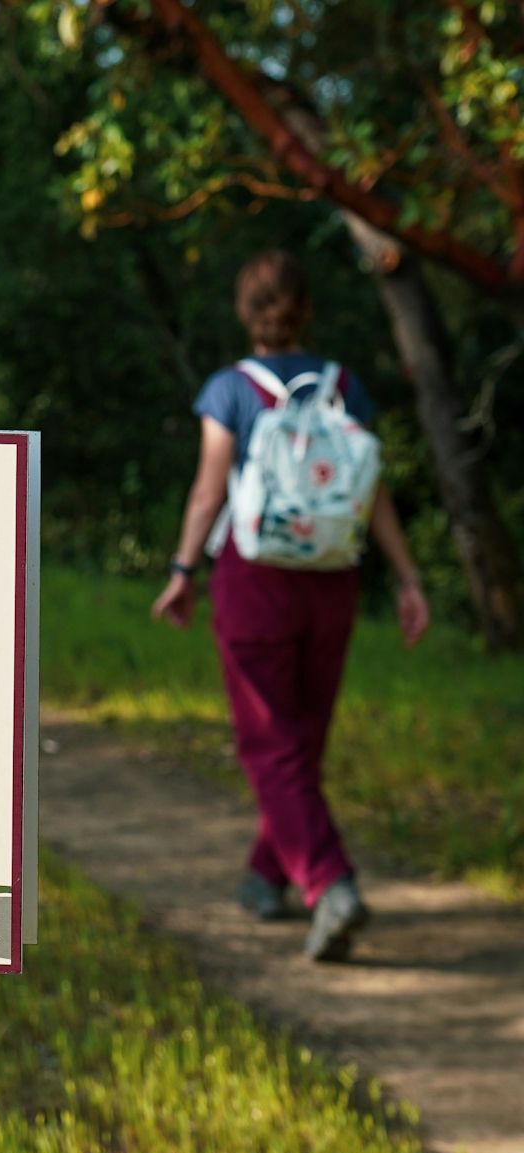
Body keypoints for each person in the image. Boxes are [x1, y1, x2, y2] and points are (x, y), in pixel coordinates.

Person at [152, 249, 430, 961]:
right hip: (333, 578)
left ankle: (330, 884)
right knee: (300, 738)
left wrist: (184, 568)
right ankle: (265, 876)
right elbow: (371, 492)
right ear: (306, 311)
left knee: (270, 743)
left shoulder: (231, 390)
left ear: (249, 313)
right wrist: (407, 578)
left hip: (256, 580)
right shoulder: (344, 386)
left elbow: (209, 492)